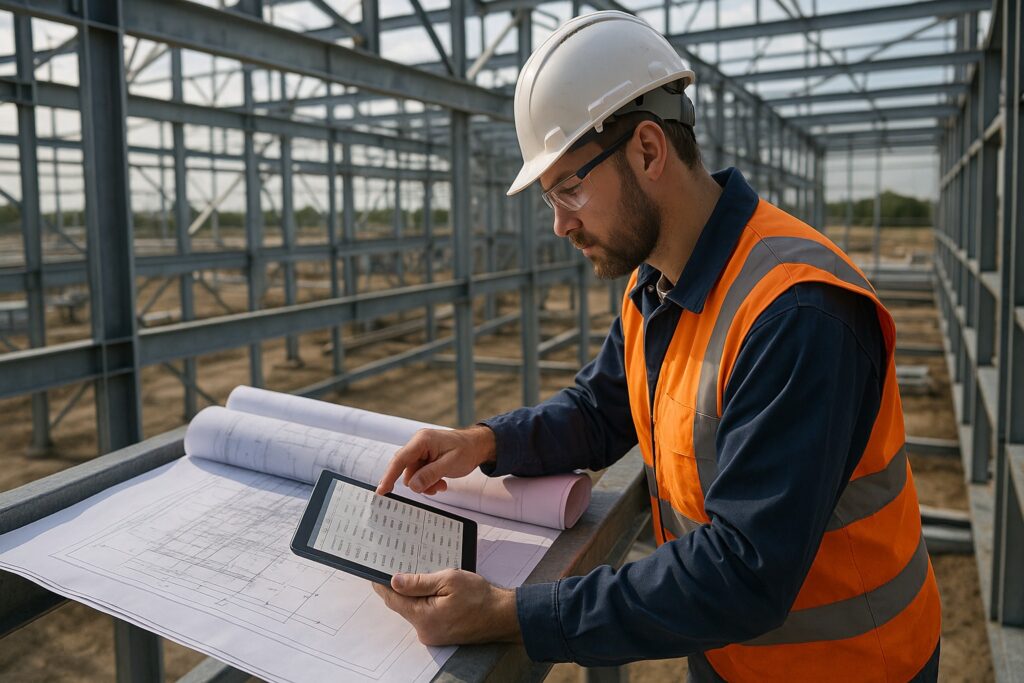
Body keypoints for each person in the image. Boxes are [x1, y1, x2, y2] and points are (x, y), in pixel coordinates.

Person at [373, 11, 941, 681]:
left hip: (851, 666)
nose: (560, 224)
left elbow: (743, 571)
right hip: (734, 657)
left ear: (648, 150)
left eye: (569, 187)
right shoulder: (657, 284)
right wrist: (485, 442)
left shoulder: (796, 312)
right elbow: (600, 409)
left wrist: (511, 613)